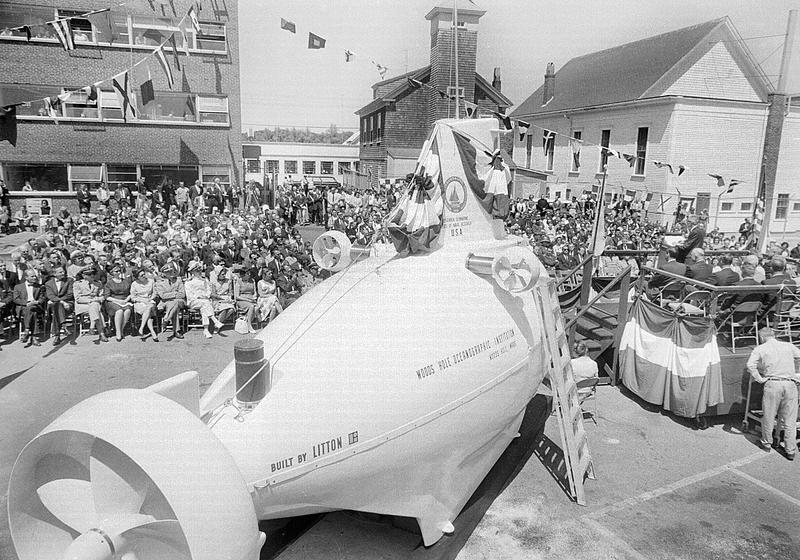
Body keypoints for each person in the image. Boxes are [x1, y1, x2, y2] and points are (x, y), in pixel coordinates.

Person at [746, 326, 799, 460]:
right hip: (790, 383)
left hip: (773, 383)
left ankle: (766, 443)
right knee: (790, 420)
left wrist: (759, 379)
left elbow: (750, 365)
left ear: (762, 337)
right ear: (774, 335)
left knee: (769, 416)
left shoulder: (760, 349)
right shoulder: (788, 345)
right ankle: (790, 450)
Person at [185, 260, 223, 338]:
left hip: (204, 301)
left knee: (204, 306)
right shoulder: (188, 282)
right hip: (193, 302)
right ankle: (215, 320)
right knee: (205, 303)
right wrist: (199, 297)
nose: (199, 272)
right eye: (196, 270)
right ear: (192, 272)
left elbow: (208, 290)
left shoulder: (204, 280)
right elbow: (189, 295)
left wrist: (205, 296)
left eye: (199, 270)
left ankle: (206, 330)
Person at [73, 266, 107, 342]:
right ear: (83, 276)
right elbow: (78, 298)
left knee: (94, 306)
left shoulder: (98, 283)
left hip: (95, 304)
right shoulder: (77, 284)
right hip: (82, 305)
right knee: (96, 308)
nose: (92, 276)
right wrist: (90, 301)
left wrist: (96, 299)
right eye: (89, 274)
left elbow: (102, 297)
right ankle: (101, 333)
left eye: (93, 273)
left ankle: (92, 328)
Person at [13, 269, 46, 346]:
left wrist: (37, 302)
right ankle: (34, 337)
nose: (35, 277)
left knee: (32, 308)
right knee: (32, 311)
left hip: (36, 306)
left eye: (35, 276)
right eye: (32, 276)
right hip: (23, 308)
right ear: (26, 277)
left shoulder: (39, 287)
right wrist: (26, 303)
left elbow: (43, 298)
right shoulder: (18, 287)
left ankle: (26, 330)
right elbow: (15, 299)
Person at [154, 262, 186, 339]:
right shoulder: (159, 282)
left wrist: (169, 295)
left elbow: (182, 294)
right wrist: (175, 294)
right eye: (167, 272)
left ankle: (167, 319)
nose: (170, 273)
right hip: (166, 303)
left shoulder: (178, 280)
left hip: (179, 302)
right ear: (164, 273)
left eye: (171, 271)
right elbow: (162, 296)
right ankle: (176, 331)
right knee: (175, 306)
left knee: (175, 302)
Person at [44, 266, 74, 345]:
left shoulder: (69, 280)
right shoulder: (48, 283)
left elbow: (70, 294)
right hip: (58, 304)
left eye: (63, 271)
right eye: (60, 272)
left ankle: (57, 335)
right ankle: (63, 326)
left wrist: (61, 301)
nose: (63, 273)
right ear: (54, 274)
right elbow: (50, 296)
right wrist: (61, 302)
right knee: (57, 306)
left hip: (68, 303)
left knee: (56, 309)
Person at [103, 263, 132, 341]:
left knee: (128, 310)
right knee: (119, 311)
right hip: (113, 300)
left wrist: (126, 300)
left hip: (124, 300)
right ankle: (118, 332)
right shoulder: (109, 283)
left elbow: (131, 293)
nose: (118, 272)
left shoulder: (125, 281)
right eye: (116, 271)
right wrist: (118, 301)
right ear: (112, 273)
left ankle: (121, 329)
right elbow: (107, 297)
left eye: (119, 271)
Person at [130, 267, 159, 342]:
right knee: (148, 311)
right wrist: (141, 300)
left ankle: (141, 328)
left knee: (149, 307)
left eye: (144, 274)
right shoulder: (134, 284)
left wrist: (150, 299)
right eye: (141, 276)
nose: (144, 276)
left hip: (150, 301)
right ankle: (152, 332)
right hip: (140, 302)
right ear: (137, 278)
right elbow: (133, 297)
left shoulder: (151, 281)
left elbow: (155, 293)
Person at [234, 267, 258, 333]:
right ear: (243, 275)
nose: (249, 275)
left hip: (251, 298)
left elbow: (255, 292)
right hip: (241, 299)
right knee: (251, 306)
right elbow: (237, 296)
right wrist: (248, 300)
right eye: (247, 274)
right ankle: (249, 325)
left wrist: (254, 298)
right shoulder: (239, 281)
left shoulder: (252, 280)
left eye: (249, 273)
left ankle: (248, 320)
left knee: (257, 307)